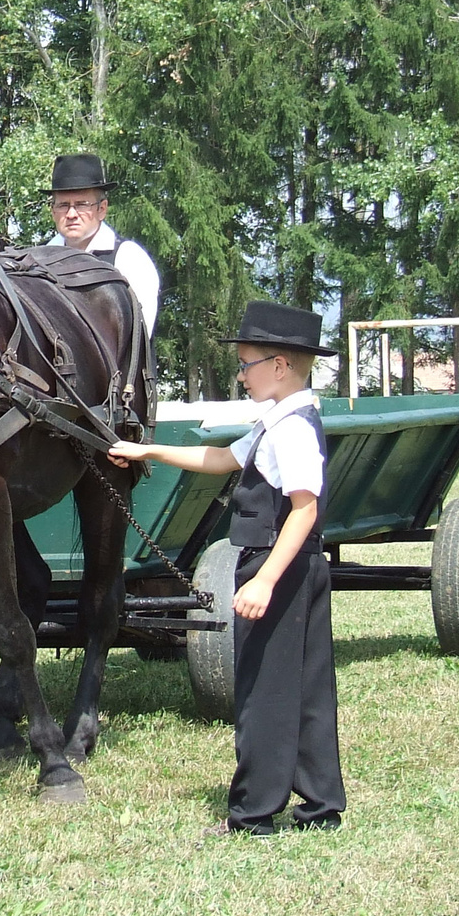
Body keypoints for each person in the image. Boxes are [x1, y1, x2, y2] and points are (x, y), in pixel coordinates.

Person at [108, 300, 345, 836]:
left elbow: (304, 508)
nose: (241, 375)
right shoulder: (280, 419)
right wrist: (149, 452)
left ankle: (254, 813)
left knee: (263, 690)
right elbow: (222, 461)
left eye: (247, 364)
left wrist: (264, 578)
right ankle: (320, 803)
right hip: (297, 567)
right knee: (305, 686)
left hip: (277, 564)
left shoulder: (291, 429)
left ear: (280, 365)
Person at [42, 153, 159, 335]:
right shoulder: (37, 261)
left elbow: (138, 338)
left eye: (81, 205)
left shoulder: (129, 259)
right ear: (53, 211)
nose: (71, 214)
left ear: (102, 209)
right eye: (63, 205)